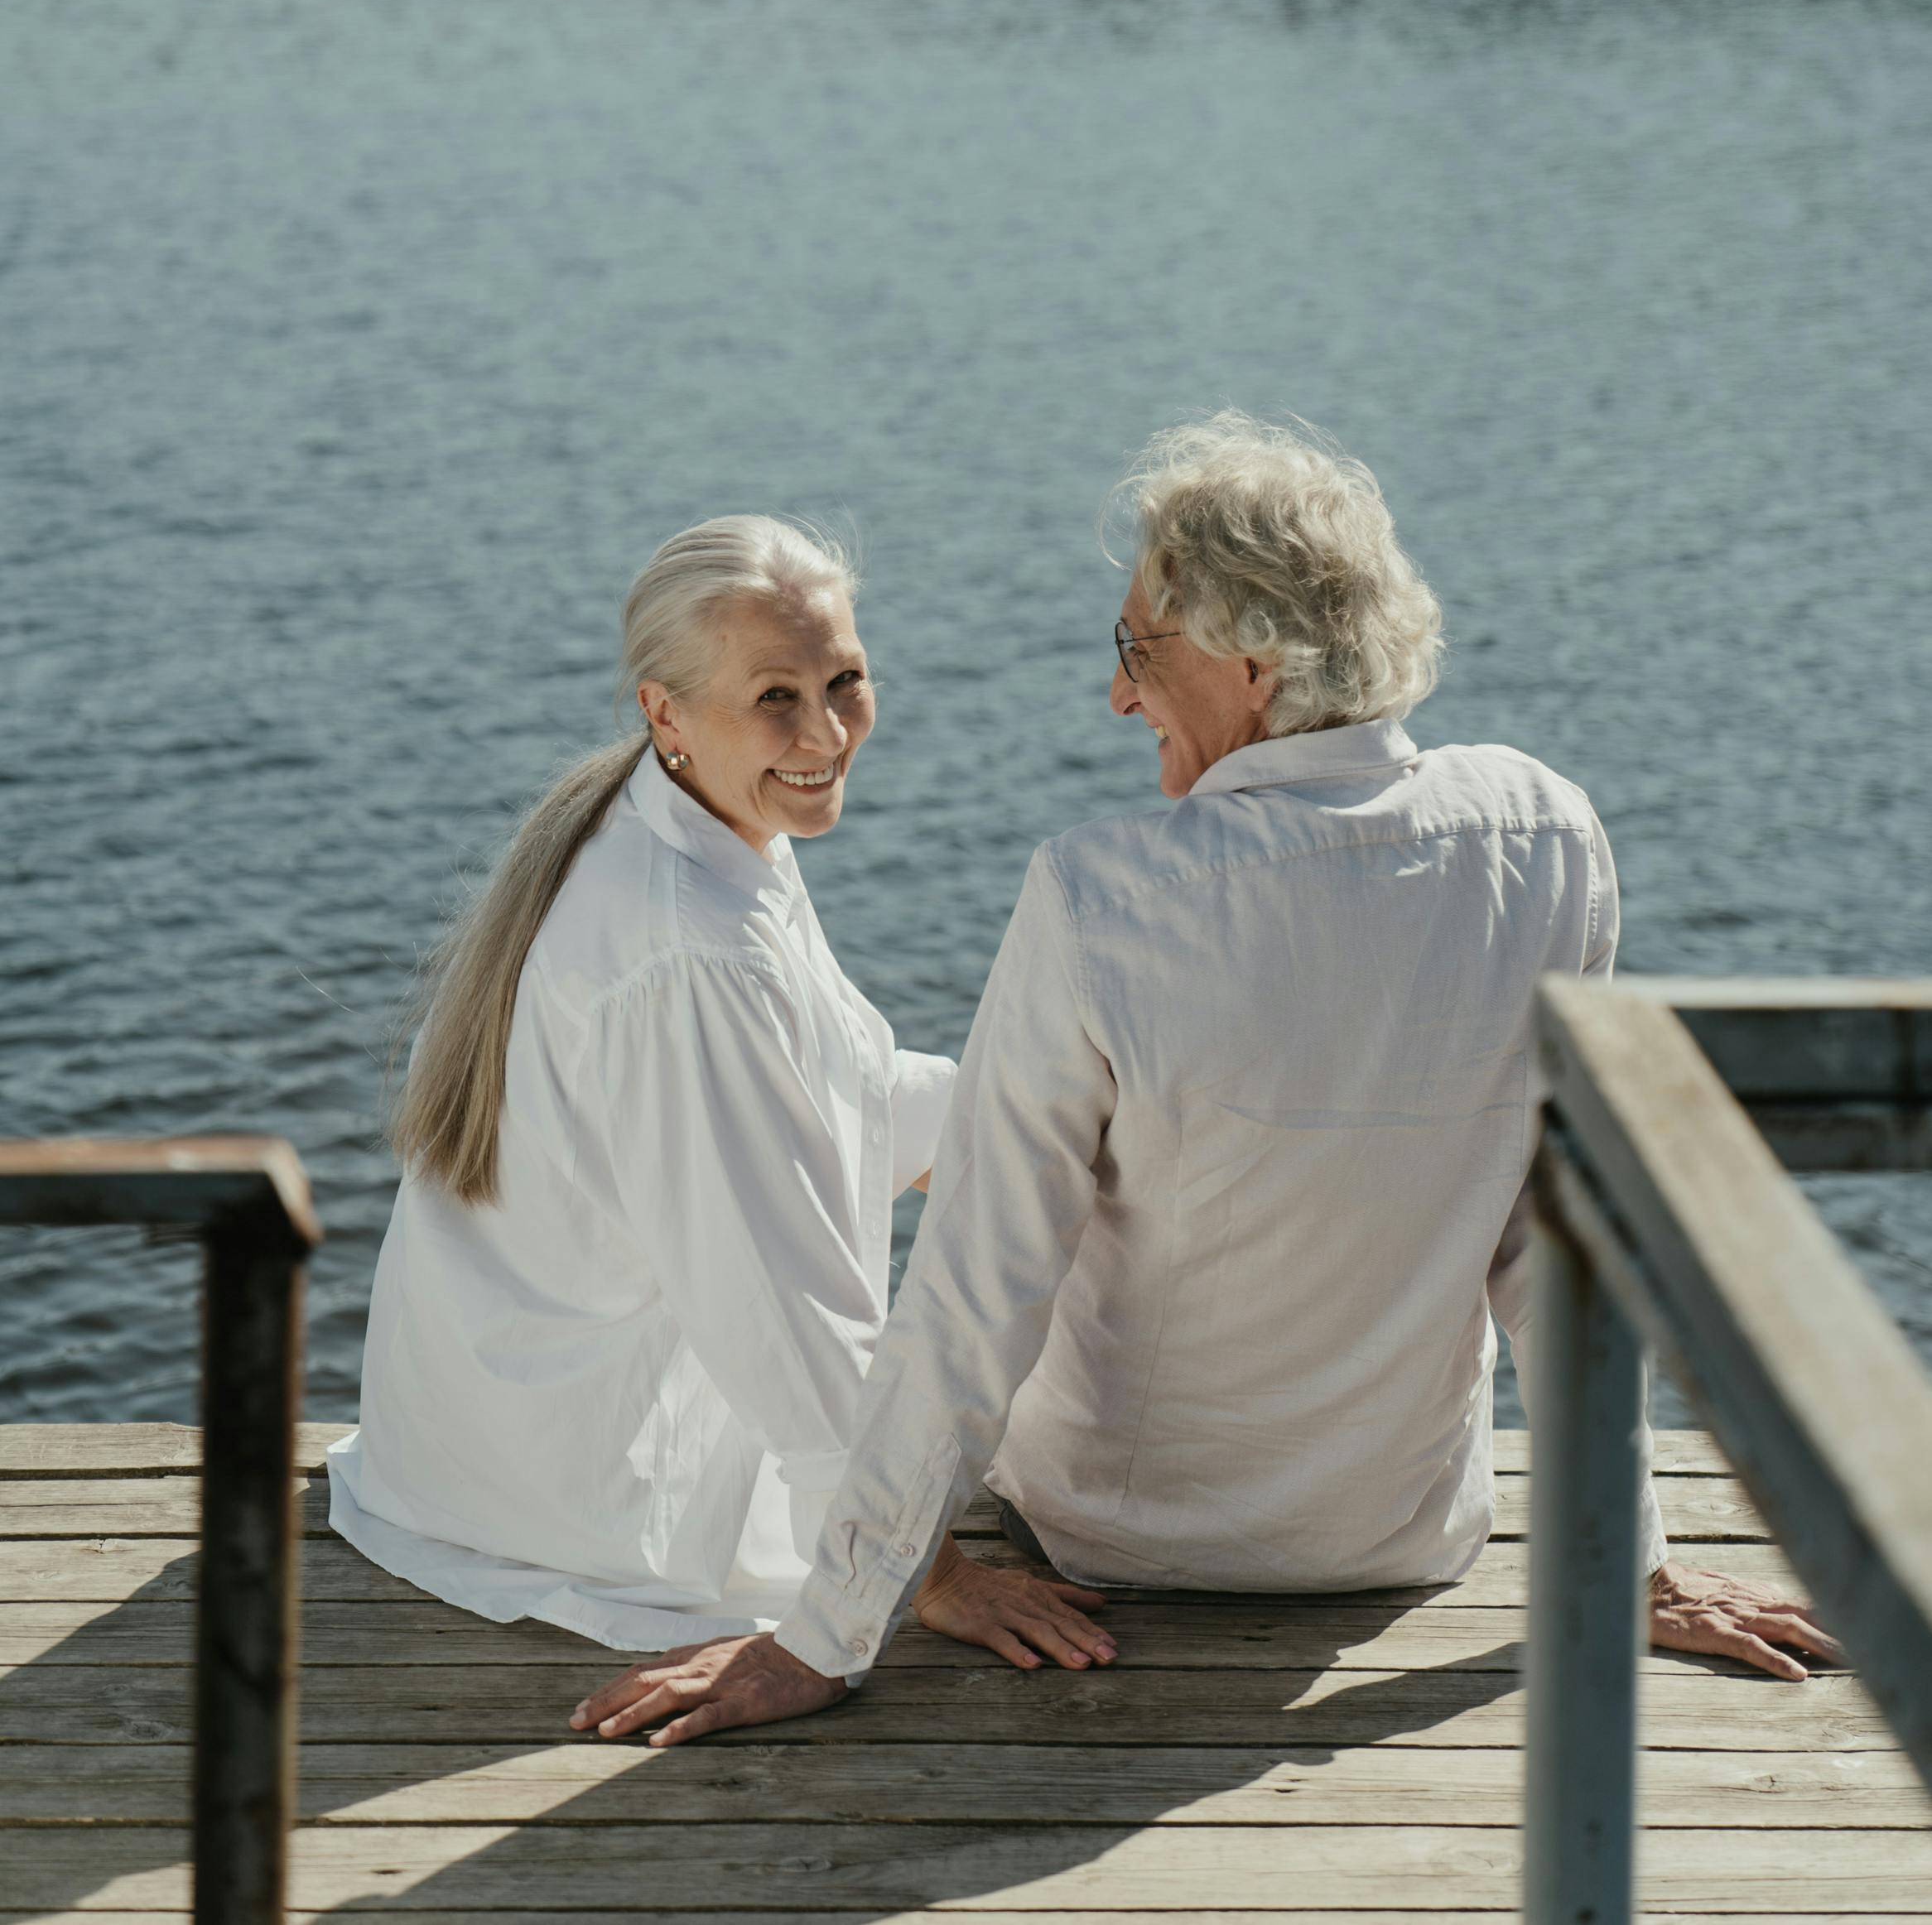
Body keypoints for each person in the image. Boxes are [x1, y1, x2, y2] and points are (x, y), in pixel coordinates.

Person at [569, 417, 1841, 1747]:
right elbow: (1557, 1238)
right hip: (1397, 1537)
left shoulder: (1100, 895)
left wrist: (827, 1634)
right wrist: (1621, 1563)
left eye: (1136, 650)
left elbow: (972, 1293)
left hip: (1120, 1542)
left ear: (1251, 660)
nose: (1118, 696)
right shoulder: (1547, 837)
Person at [329, 514, 1113, 1670]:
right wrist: (917, 1571)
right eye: (777, 698)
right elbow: (783, 1306)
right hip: (576, 1494)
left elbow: (826, 1087)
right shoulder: (689, 949)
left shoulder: (689, 827)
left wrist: (1081, 1119)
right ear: (665, 711)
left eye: (844, 681)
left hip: (469, 1444)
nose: (828, 732)